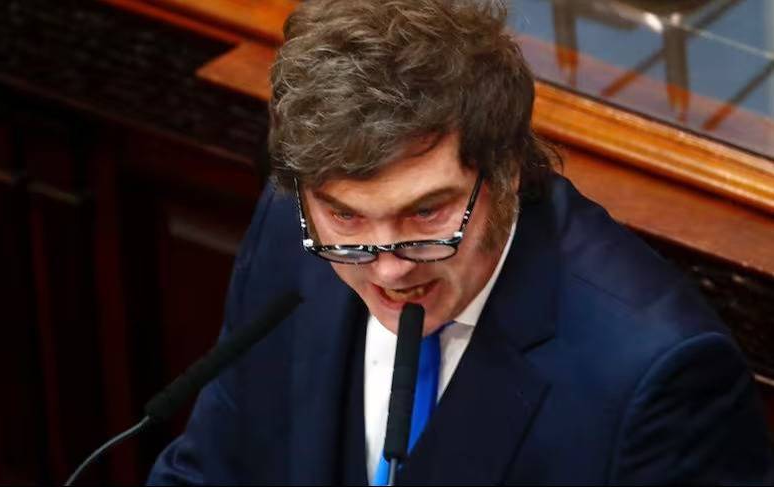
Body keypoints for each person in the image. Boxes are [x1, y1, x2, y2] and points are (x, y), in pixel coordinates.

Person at [148, 0, 774, 484]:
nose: (388, 269)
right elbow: (210, 470)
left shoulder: (655, 373)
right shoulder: (294, 229)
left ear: (506, 169)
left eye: (427, 213)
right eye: (346, 217)